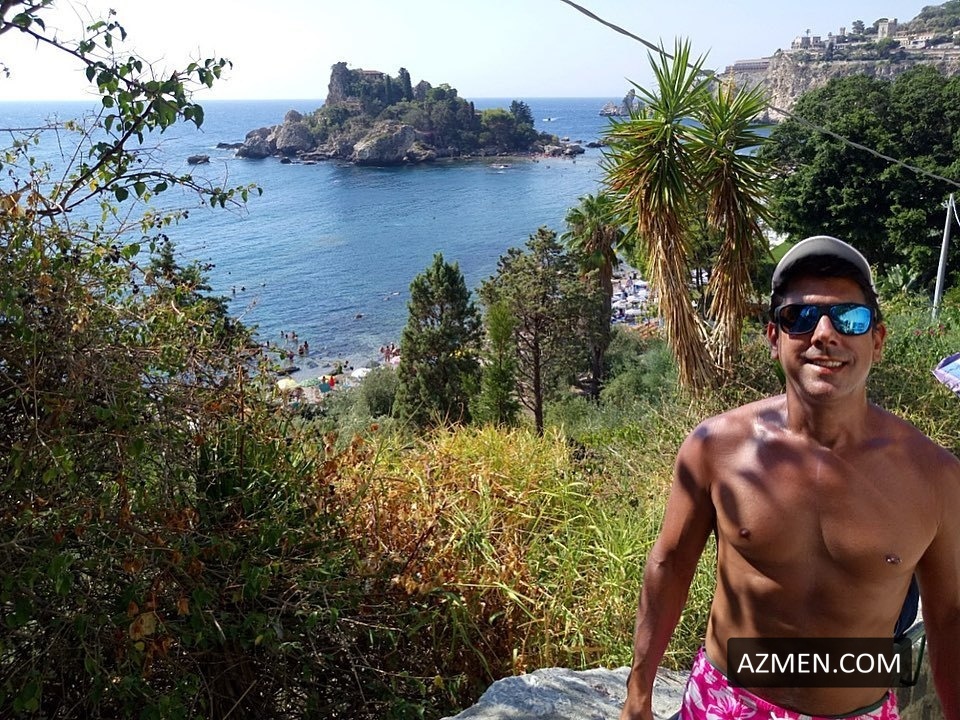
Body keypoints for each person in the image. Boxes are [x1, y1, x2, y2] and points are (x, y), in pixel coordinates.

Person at [620, 236, 960, 720]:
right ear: (773, 338)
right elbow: (670, 564)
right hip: (726, 704)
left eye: (850, 318)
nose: (824, 333)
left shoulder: (934, 478)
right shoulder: (716, 448)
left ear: (877, 340)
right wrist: (638, 695)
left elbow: (949, 617)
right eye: (799, 317)